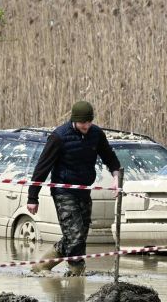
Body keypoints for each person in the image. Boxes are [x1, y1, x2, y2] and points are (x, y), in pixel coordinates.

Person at [27, 100, 121, 276]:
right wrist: (33, 197)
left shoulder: (96, 134)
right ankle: (76, 275)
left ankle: (41, 267)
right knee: (75, 236)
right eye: (82, 122)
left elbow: (109, 156)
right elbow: (42, 167)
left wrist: (116, 176)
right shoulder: (59, 137)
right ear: (74, 121)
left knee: (78, 237)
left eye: (89, 122)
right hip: (63, 192)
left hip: (84, 190)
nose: (86, 125)